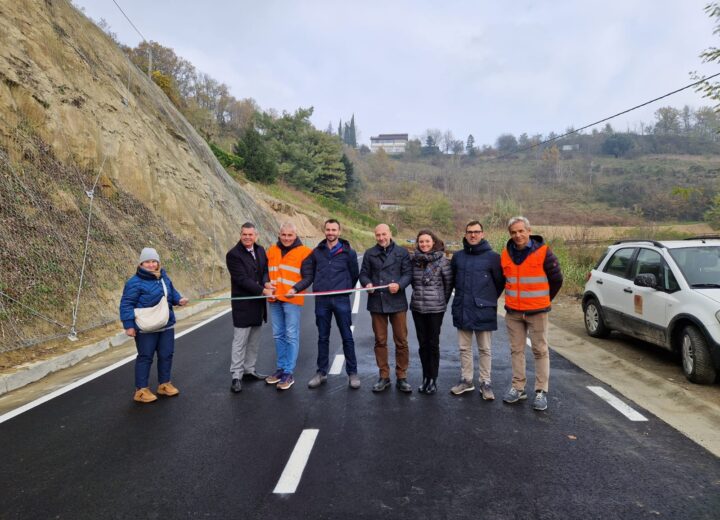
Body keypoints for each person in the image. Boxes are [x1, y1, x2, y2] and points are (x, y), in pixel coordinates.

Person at [501, 216, 563, 411]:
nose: (518, 235)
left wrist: (544, 300)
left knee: (540, 350)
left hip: (537, 311)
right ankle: (518, 388)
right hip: (513, 312)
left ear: (529, 231)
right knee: (516, 350)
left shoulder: (544, 252)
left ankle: (541, 391)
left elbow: (557, 280)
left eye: (521, 231)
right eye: (514, 232)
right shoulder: (505, 254)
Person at [120, 247, 188, 403]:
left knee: (166, 355)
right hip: (146, 327)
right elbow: (126, 304)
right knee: (145, 357)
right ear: (141, 263)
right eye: (147, 262)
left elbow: (172, 293)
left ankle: (164, 384)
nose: (151, 265)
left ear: (158, 262)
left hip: (166, 324)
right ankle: (141, 390)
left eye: (153, 261)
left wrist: (179, 300)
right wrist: (129, 325)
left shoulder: (164, 278)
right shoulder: (134, 282)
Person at [449, 221, 504, 399]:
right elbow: (452, 281)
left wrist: (486, 299)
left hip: (484, 309)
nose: (473, 235)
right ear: (465, 234)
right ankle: (466, 380)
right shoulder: (458, 257)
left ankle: (485, 383)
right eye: (469, 232)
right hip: (462, 307)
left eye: (476, 232)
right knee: (464, 348)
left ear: (483, 234)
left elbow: (499, 283)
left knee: (485, 349)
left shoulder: (493, 257)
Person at [304, 219, 361, 389]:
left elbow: (354, 274)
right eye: (328, 229)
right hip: (322, 301)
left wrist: (345, 290)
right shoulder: (317, 252)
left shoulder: (348, 252)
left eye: (334, 230)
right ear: (324, 231)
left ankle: (352, 373)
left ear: (339, 231)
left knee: (347, 337)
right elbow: (310, 272)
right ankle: (321, 373)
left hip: (341, 300)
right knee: (323, 337)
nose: (330, 232)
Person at [359, 223, 413, 393]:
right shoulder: (369, 253)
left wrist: (399, 284)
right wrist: (367, 283)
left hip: (397, 302)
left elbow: (408, 274)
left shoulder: (402, 253)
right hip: (377, 302)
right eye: (378, 235)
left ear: (390, 233)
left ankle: (402, 376)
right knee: (380, 341)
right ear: (375, 236)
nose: (381, 238)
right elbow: (363, 274)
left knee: (401, 341)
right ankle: (384, 376)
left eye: (384, 234)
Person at [226, 222, 274, 394]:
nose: (247, 237)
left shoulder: (261, 250)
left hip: (258, 305)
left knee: (254, 341)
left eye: (250, 234)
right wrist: (263, 290)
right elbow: (241, 279)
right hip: (243, 305)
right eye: (244, 234)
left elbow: (264, 271)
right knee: (240, 342)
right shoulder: (233, 255)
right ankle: (236, 376)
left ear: (256, 235)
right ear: (240, 234)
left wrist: (266, 281)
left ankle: (249, 370)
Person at [264, 222, 313, 391]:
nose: (286, 238)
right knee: (278, 334)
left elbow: (308, 277)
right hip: (275, 299)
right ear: (279, 235)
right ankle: (280, 368)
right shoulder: (272, 250)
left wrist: (296, 289)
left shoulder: (304, 252)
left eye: (290, 235)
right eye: (283, 235)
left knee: (291, 335)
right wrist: (265, 284)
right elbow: (264, 270)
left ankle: (288, 373)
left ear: (295, 235)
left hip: (292, 299)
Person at [409, 229, 453, 395]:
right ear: (418, 243)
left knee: (433, 344)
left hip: (436, 309)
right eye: (421, 242)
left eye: (427, 241)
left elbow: (448, 285)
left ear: (433, 242)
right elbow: (413, 282)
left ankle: (433, 379)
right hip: (418, 308)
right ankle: (425, 378)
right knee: (422, 344)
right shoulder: (414, 261)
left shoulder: (443, 261)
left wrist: (441, 301)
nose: (424, 244)